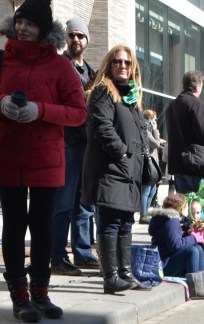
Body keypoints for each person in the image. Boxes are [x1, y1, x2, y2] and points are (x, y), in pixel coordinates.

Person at [0, 2, 87, 320]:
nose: (22, 27)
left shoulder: (60, 66)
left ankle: (41, 293)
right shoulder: (2, 60)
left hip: (47, 158)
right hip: (8, 154)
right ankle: (20, 298)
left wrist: (41, 110)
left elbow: (79, 113)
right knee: (12, 226)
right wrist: (2, 103)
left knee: (42, 226)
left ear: (44, 30)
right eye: (19, 21)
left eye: (30, 24)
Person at [82, 44, 150, 294]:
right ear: (109, 65)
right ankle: (110, 277)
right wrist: (122, 152)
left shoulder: (131, 97)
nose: (123, 66)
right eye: (117, 62)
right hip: (110, 168)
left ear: (134, 68)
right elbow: (102, 128)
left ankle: (126, 274)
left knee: (125, 223)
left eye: (127, 63)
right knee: (110, 223)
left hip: (128, 171)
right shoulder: (103, 92)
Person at [50, 17, 100, 277]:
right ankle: (57, 256)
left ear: (87, 40)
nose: (76, 39)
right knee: (63, 204)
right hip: (67, 144)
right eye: (72, 35)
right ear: (66, 39)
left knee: (84, 205)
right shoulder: (60, 66)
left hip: (87, 145)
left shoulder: (91, 72)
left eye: (81, 35)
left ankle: (82, 252)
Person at [147, 194, 204, 300]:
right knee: (192, 251)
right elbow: (175, 245)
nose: (187, 208)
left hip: (165, 259)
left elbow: (172, 239)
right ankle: (195, 289)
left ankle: (202, 286)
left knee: (198, 249)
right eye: (186, 206)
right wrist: (194, 238)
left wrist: (187, 233)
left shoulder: (169, 219)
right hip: (163, 265)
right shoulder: (172, 221)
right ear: (180, 208)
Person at [166, 70, 204, 193]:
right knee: (199, 206)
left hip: (178, 163)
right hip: (196, 163)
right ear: (197, 86)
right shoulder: (196, 104)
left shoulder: (172, 105)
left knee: (183, 205)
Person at [139, 109, 165, 224]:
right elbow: (155, 144)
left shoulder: (149, 130)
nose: (155, 120)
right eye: (154, 118)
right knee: (146, 190)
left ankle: (146, 213)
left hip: (154, 165)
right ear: (149, 118)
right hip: (148, 165)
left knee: (153, 191)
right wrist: (155, 130)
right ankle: (143, 215)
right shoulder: (145, 131)